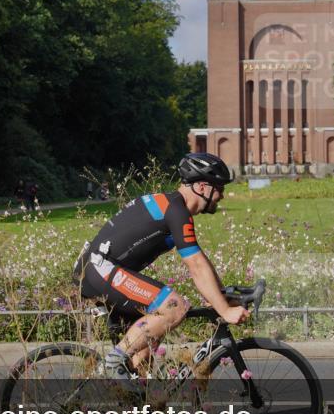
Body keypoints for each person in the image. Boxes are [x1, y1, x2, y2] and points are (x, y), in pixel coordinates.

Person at [73, 153, 249, 384]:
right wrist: (225, 311)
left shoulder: (172, 206)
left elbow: (200, 260)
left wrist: (221, 296)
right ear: (202, 187)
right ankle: (112, 363)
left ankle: (133, 411)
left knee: (143, 364)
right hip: (99, 269)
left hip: (99, 270)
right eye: (219, 188)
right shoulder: (176, 211)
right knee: (175, 307)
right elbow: (195, 265)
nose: (222, 195)